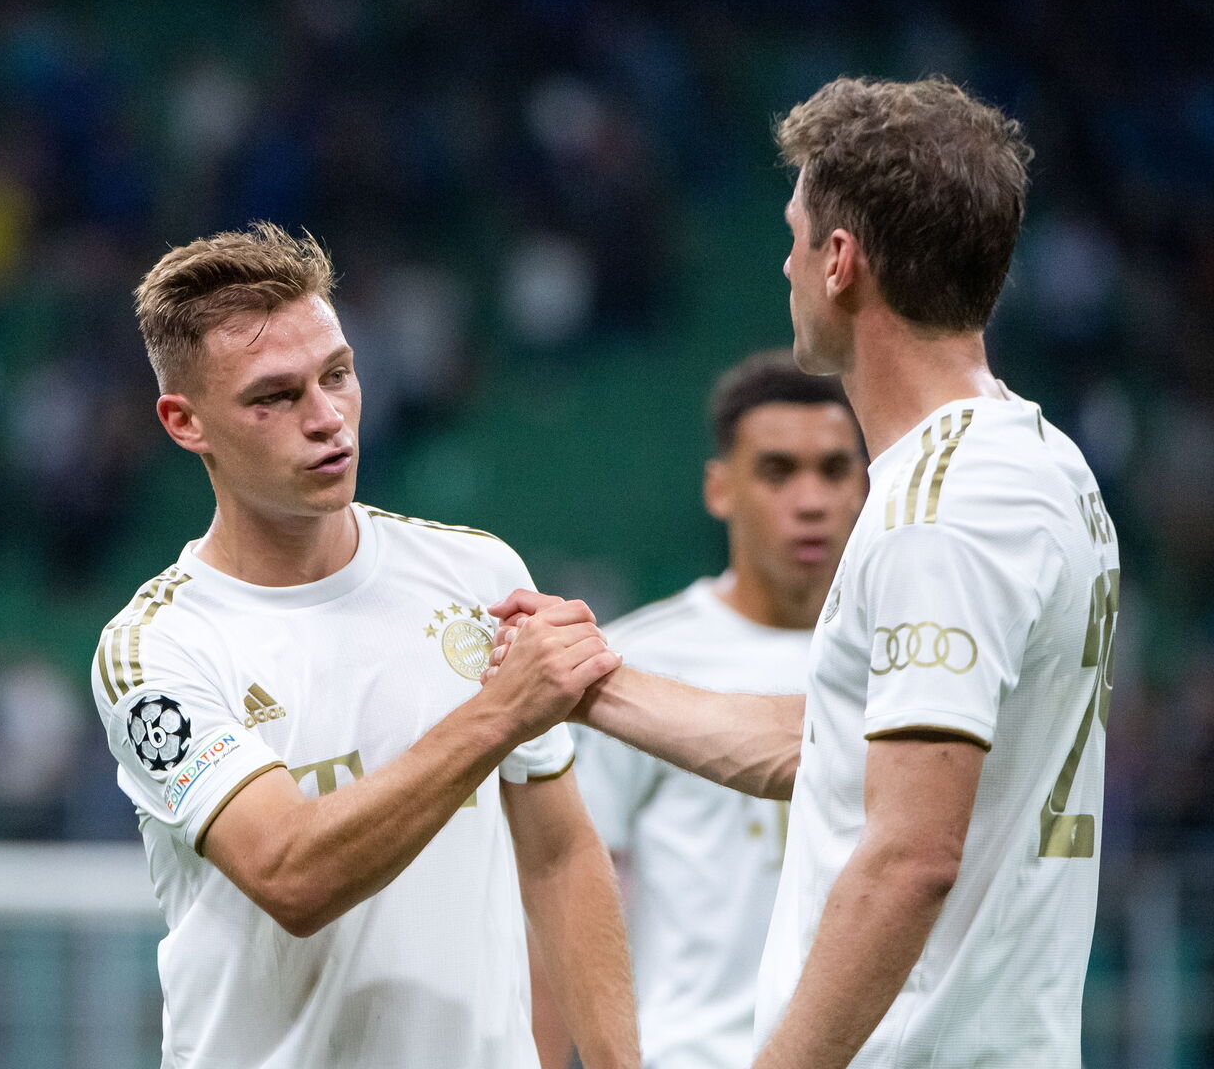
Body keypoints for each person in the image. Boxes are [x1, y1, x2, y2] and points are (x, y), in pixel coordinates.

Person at [490, 77, 1120, 1069]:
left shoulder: (940, 511)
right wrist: (592, 686)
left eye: (793, 237)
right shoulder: (1041, 462)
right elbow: (841, 745)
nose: (783, 264)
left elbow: (910, 857)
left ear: (839, 260)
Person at [92, 223, 638, 1069]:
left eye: (338, 375)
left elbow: (560, 854)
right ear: (185, 421)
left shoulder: (477, 574)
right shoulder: (155, 651)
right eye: (274, 397)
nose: (327, 420)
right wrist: (499, 714)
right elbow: (290, 875)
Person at [550, 353, 866, 1069]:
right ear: (720, 488)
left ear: (865, 486)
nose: (811, 500)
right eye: (778, 472)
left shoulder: (911, 665)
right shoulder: (630, 667)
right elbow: (565, 885)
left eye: (833, 470)